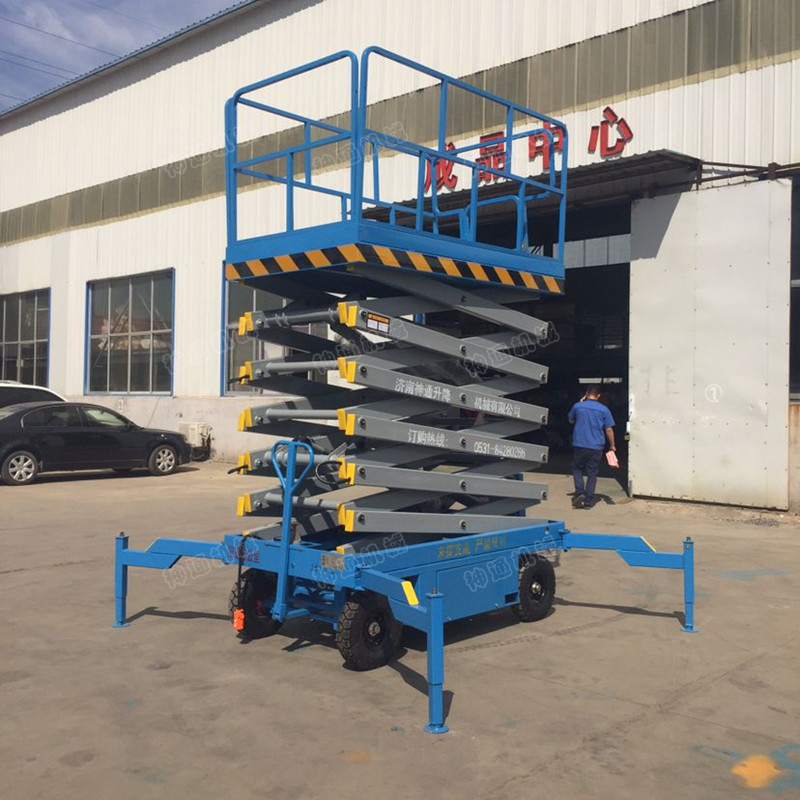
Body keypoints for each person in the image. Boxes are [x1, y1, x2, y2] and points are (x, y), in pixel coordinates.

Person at [568, 385, 615, 509]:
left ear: (586, 394)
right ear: (598, 396)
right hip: (596, 446)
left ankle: (579, 492)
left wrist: (580, 403)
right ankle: (588, 501)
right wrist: (612, 445)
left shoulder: (577, 406)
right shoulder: (604, 410)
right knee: (592, 473)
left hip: (580, 444)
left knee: (577, 469)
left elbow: (571, 420)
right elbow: (609, 429)